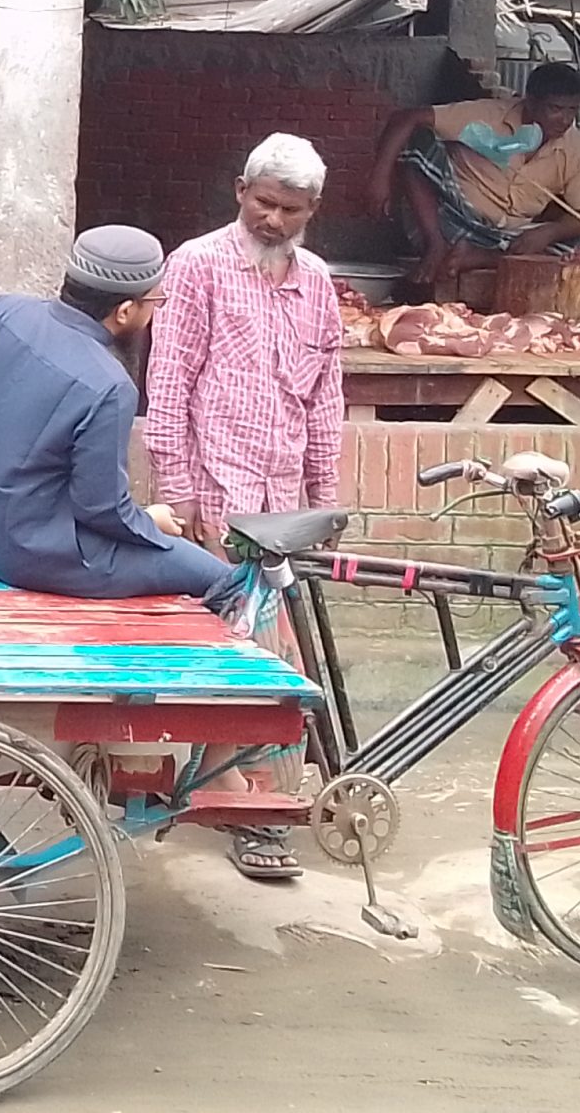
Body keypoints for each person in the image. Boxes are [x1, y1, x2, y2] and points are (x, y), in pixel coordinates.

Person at [145, 132, 344, 884]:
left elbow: (325, 398)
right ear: (240, 192)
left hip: (281, 504)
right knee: (237, 655)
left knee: (270, 656)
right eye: (264, 203)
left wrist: (325, 499)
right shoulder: (196, 264)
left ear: (312, 210)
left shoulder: (317, 281)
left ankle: (250, 792)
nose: (274, 220)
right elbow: (169, 385)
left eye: (291, 210)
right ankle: (241, 805)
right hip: (215, 497)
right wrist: (180, 493)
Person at [0, 226, 238, 604]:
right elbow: (101, 509)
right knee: (221, 578)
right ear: (125, 311)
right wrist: (151, 521)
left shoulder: (6, 313)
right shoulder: (109, 386)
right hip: (44, 558)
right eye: (155, 301)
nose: (155, 310)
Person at [363, 62, 580, 295]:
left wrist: (548, 232)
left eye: (572, 110)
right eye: (555, 108)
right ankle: (436, 246)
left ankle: (480, 257)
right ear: (530, 102)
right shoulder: (487, 115)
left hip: (512, 238)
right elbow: (406, 118)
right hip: (453, 221)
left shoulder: (578, 150)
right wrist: (379, 179)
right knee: (417, 140)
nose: (565, 120)